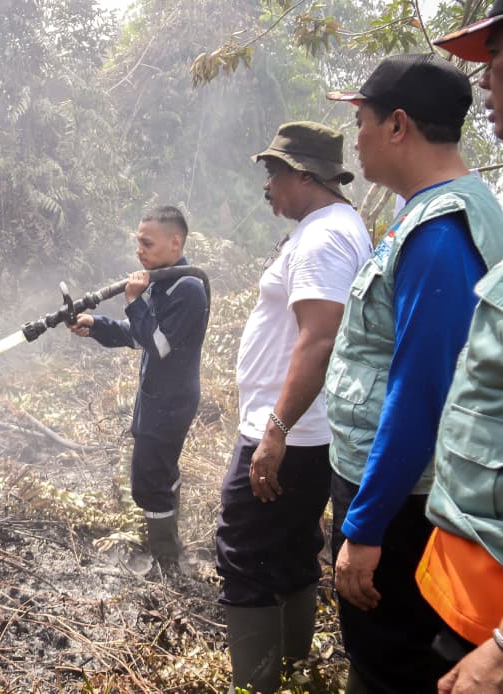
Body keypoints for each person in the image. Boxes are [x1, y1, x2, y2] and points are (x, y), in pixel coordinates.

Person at [324, 53, 503, 692]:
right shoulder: (430, 213)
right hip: (395, 492)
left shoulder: (439, 232)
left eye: (363, 120)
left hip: (403, 508)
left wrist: (365, 526)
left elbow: (423, 391)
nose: (357, 138)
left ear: (398, 126)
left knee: (388, 667)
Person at [214, 121, 370, 693]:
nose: (268, 185)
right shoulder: (335, 227)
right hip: (306, 429)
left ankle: (258, 684)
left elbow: (319, 338)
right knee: (293, 545)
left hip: (289, 431)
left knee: (245, 552)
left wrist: (275, 431)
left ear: (306, 174)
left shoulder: (324, 238)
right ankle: (296, 668)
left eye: (274, 172)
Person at [409, 11, 503, 692]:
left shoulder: (444, 227)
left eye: (497, 56)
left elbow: (421, 384)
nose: (486, 80)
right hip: (470, 591)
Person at [68, 205, 208, 575]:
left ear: (175, 242)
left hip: (171, 402)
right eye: (138, 243)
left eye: (147, 243)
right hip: (157, 397)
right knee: (160, 471)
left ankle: (167, 564)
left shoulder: (188, 289)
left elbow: (158, 345)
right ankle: (172, 547)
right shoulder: (165, 283)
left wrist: (133, 302)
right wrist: (95, 324)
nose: (139, 251)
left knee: (147, 482)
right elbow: (137, 335)